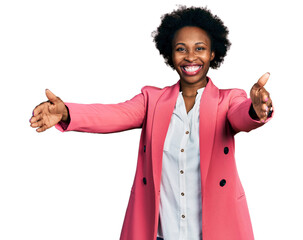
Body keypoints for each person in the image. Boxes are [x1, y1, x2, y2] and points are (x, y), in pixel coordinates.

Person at [30, 6, 273, 240]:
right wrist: (67, 113)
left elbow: (242, 116)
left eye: (199, 48)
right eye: (181, 49)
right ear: (171, 54)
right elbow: (113, 115)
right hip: (160, 233)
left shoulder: (228, 99)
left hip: (217, 231)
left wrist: (256, 108)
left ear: (212, 53)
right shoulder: (152, 100)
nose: (190, 56)